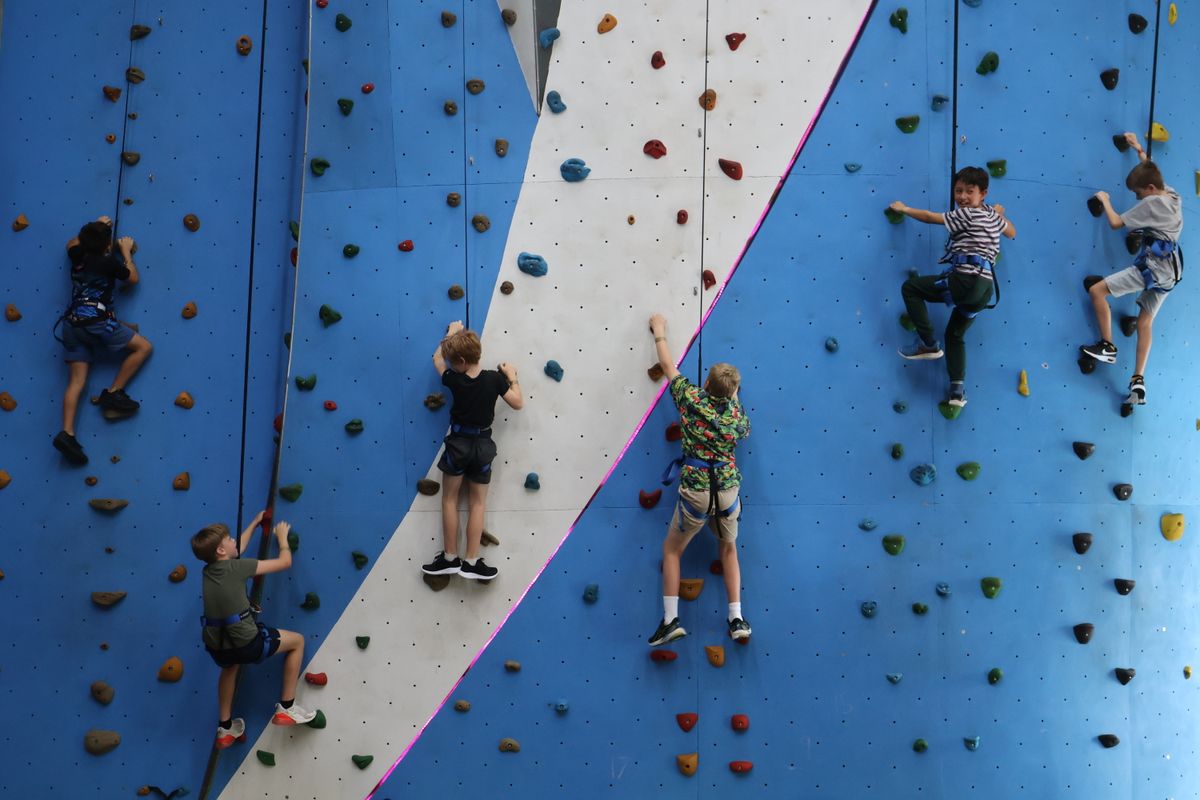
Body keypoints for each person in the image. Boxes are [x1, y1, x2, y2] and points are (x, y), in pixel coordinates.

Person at [646, 313, 752, 646]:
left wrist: (659, 331)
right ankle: (736, 619)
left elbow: (668, 366)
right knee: (729, 549)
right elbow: (739, 419)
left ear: (706, 383)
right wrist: (733, 395)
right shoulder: (736, 417)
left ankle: (670, 620)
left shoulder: (692, 399)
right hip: (727, 491)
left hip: (697, 491)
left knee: (672, 550)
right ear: (733, 392)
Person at [891, 167, 1016, 409]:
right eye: (959, 191)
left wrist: (904, 209)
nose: (962, 197)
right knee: (955, 335)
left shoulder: (966, 214)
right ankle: (957, 392)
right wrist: (998, 213)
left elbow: (930, 217)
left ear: (983, 193)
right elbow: (1011, 231)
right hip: (985, 290)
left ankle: (928, 343)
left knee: (911, 288)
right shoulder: (992, 216)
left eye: (969, 192)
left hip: (965, 280)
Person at [192, 512, 316, 750]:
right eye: (229, 538)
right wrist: (282, 538)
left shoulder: (207, 571)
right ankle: (287, 707)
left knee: (230, 667)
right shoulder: (239, 567)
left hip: (217, 646)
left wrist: (256, 523)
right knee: (297, 641)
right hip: (247, 644)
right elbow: (284, 562)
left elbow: (236, 548)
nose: (234, 541)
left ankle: (225, 727)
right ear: (221, 550)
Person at [1080, 132, 1183, 409]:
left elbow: (1116, 223)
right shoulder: (1172, 195)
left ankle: (1107, 346)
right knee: (1145, 323)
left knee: (1097, 291)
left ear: (1149, 189)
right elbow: (1152, 170)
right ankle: (1138, 379)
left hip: (1153, 268)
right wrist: (1138, 150)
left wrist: (1105, 200)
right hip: (1171, 272)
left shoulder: (1151, 203)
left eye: (1138, 194)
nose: (1137, 198)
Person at [421, 321, 523, 582]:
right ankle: (472, 562)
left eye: (454, 361)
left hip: (458, 444)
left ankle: (449, 558)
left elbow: (436, 359)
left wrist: (452, 333)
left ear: (462, 361)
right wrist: (512, 376)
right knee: (478, 503)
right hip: (483, 446)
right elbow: (517, 403)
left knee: (449, 500)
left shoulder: (454, 379)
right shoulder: (495, 379)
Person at [52, 216, 153, 465]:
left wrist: (96, 225)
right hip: (96, 322)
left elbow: (71, 243)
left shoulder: (77, 255)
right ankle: (114, 392)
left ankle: (67, 433)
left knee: (76, 381)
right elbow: (132, 278)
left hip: (71, 324)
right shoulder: (108, 263)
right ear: (108, 246)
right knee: (143, 347)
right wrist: (125, 251)